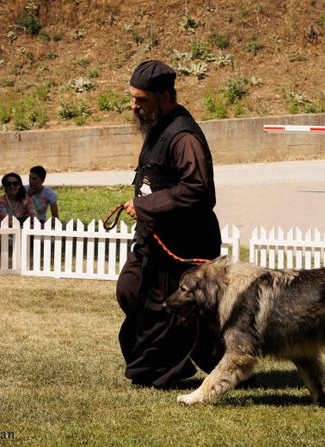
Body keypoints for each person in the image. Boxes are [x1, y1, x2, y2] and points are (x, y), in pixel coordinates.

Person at [116, 60, 224, 388]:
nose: (134, 106)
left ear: (164, 97)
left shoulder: (184, 136)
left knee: (167, 310)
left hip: (183, 244)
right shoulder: (158, 123)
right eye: (132, 98)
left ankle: (167, 372)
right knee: (130, 290)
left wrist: (147, 205)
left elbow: (199, 190)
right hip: (155, 237)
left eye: (141, 100)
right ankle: (215, 355)